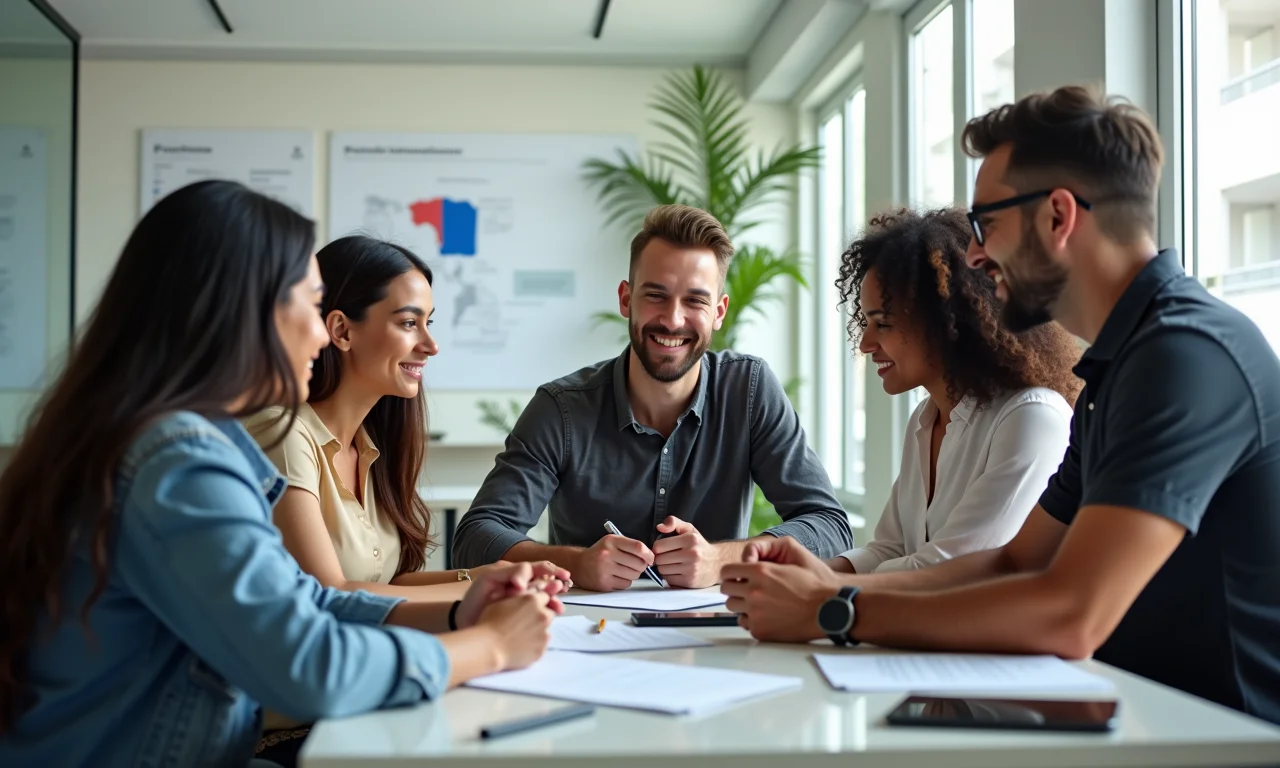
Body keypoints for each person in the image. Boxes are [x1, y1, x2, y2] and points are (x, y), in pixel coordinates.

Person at [721, 85, 1280, 727]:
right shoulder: (1119, 369)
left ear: (1058, 216)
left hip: (1221, 739)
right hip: (1145, 724)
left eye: (987, 223)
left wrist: (833, 611)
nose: (974, 254)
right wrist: (828, 586)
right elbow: (1015, 560)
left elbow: (1071, 615)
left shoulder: (1183, 357)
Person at [0, 180, 562, 765]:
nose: (320, 333)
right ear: (245, 311)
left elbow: (303, 598)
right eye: (310, 303)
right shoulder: (180, 464)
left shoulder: (171, 441)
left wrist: (457, 609)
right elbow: (310, 666)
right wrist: (491, 645)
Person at [453, 204, 853, 591]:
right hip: (581, 628)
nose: (673, 320)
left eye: (695, 300)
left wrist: (721, 559)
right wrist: (577, 563)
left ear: (718, 311)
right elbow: (474, 537)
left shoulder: (749, 390)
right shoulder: (562, 408)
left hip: (715, 629)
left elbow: (829, 525)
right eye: (656, 296)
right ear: (626, 299)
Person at [245, 235, 565, 594]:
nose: (431, 346)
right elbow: (332, 594)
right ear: (342, 330)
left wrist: (493, 576)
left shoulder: (372, 447)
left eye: (429, 323)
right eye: (409, 323)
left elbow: (388, 583)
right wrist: (474, 594)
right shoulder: (284, 435)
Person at [828, 207, 1080, 574]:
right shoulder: (925, 419)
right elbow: (890, 549)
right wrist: (808, 574)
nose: (865, 344)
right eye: (865, 322)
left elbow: (952, 571)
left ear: (945, 322)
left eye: (883, 324)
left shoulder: (1031, 417)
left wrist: (817, 588)